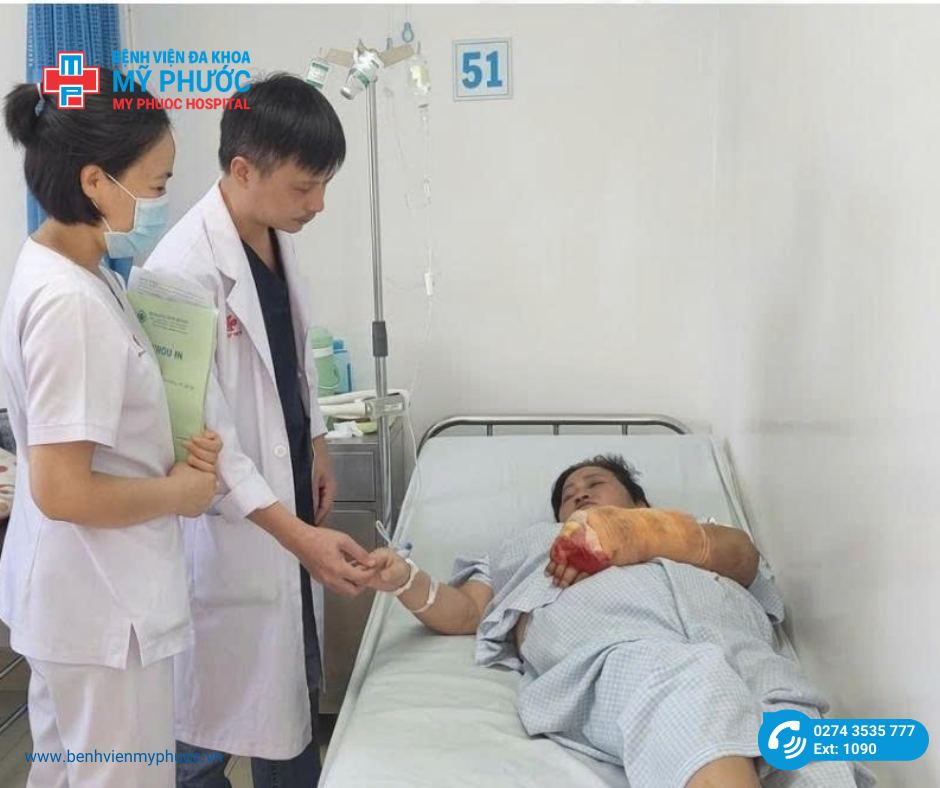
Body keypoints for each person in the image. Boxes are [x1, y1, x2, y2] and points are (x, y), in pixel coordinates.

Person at [366, 454, 873, 788]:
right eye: (569, 494)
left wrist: (640, 535)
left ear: (642, 504)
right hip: (624, 654)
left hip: (746, 655)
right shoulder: (527, 547)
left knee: (811, 755)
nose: (580, 494)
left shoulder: (692, 530)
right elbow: (466, 612)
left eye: (595, 484)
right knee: (690, 687)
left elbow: (743, 561)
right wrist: (405, 579)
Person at [144, 74, 375, 787]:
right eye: (306, 187)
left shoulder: (275, 234)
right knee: (205, 731)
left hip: (286, 492)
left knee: (289, 694)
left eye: (325, 185)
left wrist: (316, 443)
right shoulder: (179, 271)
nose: (319, 204)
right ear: (243, 170)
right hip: (229, 530)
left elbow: (291, 359)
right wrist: (298, 535)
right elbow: (205, 436)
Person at [1, 71, 221, 788]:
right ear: (95, 181)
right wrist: (179, 493)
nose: (162, 201)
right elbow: (63, 488)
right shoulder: (70, 301)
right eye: (156, 185)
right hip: (101, 607)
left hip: (78, 602)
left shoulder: (84, 275)